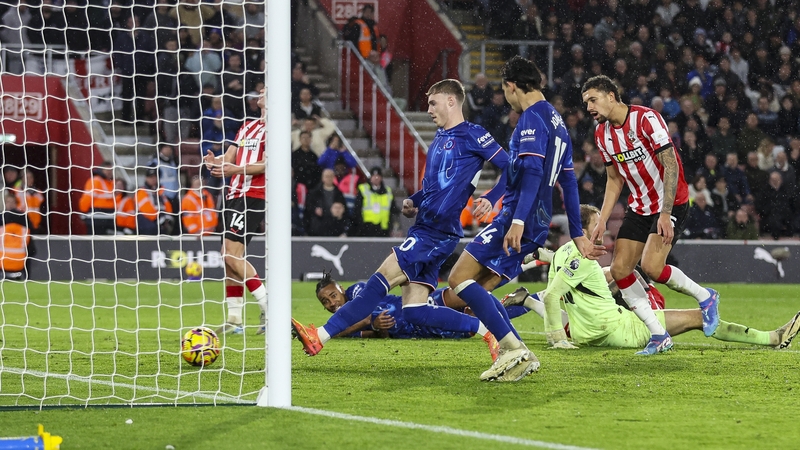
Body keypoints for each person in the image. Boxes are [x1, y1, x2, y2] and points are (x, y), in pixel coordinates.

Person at [292, 79, 510, 378]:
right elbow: (434, 187)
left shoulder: (473, 134)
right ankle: (489, 331)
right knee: (414, 310)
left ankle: (321, 336)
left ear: (450, 101)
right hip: (425, 226)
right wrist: (414, 200)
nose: (428, 108)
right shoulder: (438, 138)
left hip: (436, 232)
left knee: (377, 282)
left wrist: (491, 197)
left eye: (433, 102)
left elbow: (511, 167)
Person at [447, 56, 603, 382]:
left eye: (504, 89)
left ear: (511, 86)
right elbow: (567, 180)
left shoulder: (531, 118)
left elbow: (531, 170)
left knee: (458, 279)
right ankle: (516, 353)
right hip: (536, 218)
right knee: (480, 290)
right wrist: (577, 233)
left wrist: (516, 220)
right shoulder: (556, 121)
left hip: (521, 217)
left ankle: (513, 348)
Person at [522, 204, 800, 351]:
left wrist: (539, 254)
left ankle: (525, 301)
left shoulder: (564, 252)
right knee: (699, 317)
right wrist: (555, 339)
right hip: (616, 329)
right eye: (598, 225)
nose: (604, 228)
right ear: (582, 228)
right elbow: (552, 296)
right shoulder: (580, 256)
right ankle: (771, 338)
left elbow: (578, 275)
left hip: (589, 332)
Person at [581, 74, 720, 355]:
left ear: (611, 96)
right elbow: (613, 179)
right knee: (620, 269)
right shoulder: (602, 134)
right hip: (640, 206)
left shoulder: (646, 119)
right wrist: (604, 219)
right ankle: (659, 335)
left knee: (653, 267)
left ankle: (706, 297)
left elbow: (671, 164)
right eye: (585, 103)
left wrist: (666, 213)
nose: (589, 108)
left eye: (592, 100)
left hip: (671, 203)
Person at [204, 89, 268, 336]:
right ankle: (234, 319)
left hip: (253, 196)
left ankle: (268, 306)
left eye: (266, 90)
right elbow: (229, 157)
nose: (261, 92)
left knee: (232, 255)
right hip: (232, 196)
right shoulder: (247, 126)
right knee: (228, 256)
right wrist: (215, 161)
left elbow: (267, 163)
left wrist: (235, 170)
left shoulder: (276, 128)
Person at [307, 272, 498, 353]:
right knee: (484, 317)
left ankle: (512, 267)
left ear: (340, 289)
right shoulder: (346, 327)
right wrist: (379, 329)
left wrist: (330, 333)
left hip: (424, 303)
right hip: (423, 330)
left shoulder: (355, 292)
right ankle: (524, 300)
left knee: (473, 293)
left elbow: (364, 316)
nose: (332, 303)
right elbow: (377, 334)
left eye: (333, 295)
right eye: (325, 301)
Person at [353, 167, 399, 237]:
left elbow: (393, 209)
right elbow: (357, 209)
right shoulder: (363, 189)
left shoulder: (387, 191)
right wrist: (360, 225)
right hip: (367, 227)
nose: (376, 178)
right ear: (370, 177)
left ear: (381, 178)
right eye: (374, 176)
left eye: (378, 176)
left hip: (384, 228)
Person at [0, 189, 35, 281]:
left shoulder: (21, 216)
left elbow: (31, 229)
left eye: (12, 202)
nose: (10, 204)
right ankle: (27, 278)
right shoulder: (22, 217)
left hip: (17, 252)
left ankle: (27, 278)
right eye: (8, 202)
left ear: (16, 204)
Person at [78, 161, 116, 235]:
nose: (109, 172)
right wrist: (83, 212)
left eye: (111, 170)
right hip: (96, 218)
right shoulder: (95, 181)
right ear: (102, 170)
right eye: (107, 170)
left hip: (107, 219)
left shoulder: (110, 182)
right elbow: (87, 199)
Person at [135, 168, 175, 235]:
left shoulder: (161, 191)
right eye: (150, 177)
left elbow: (167, 206)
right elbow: (146, 209)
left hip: (161, 219)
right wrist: (158, 218)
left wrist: (167, 217)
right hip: (148, 221)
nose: (153, 179)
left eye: (155, 177)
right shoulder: (142, 191)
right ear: (146, 178)